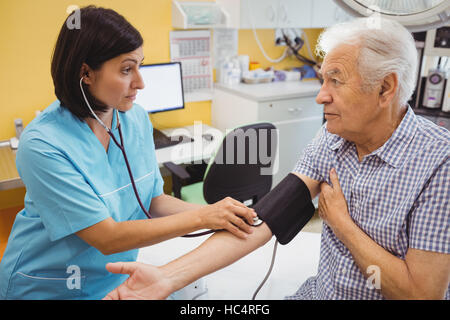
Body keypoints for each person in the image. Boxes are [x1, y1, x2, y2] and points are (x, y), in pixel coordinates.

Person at [104, 16, 449, 300]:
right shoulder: (332, 139)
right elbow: (265, 220)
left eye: (335, 81)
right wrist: (167, 277)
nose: (321, 96)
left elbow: (421, 294)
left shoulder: (439, 163)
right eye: (321, 79)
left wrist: (343, 226)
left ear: (385, 89)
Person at [0, 6, 256, 300]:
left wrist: (223, 215)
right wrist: (205, 218)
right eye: (126, 69)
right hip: (48, 287)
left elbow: (154, 200)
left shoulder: (135, 119)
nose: (140, 82)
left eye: (139, 66)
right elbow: (107, 237)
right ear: (85, 73)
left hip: (116, 279)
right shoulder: (42, 144)